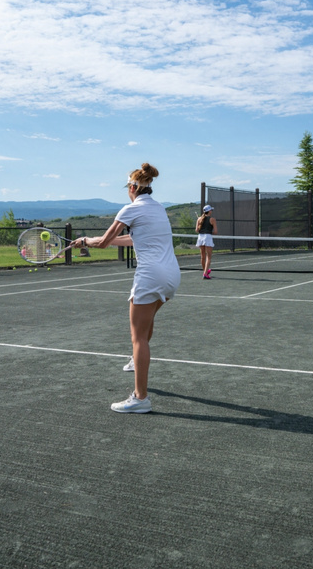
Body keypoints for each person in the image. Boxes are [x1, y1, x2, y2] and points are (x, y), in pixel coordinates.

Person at [72, 163, 180, 413]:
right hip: (171, 275)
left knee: (138, 336)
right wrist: (104, 243)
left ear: (132, 187)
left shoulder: (130, 209)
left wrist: (86, 241)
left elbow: (102, 242)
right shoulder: (159, 209)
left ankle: (140, 398)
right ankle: (135, 361)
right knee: (146, 324)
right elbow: (133, 238)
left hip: (150, 274)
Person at [195, 204, 217, 278]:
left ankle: (205, 271)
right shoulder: (212, 219)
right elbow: (215, 231)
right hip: (207, 237)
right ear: (209, 211)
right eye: (211, 210)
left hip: (200, 237)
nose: (212, 211)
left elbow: (197, 230)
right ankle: (205, 273)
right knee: (209, 257)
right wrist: (210, 232)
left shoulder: (199, 219)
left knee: (203, 256)